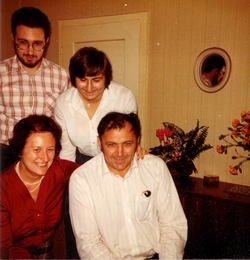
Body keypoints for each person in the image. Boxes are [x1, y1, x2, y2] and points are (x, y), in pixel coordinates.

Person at [54, 46, 146, 258]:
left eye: (96, 79)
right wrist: (71, 185)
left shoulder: (123, 97)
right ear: (73, 78)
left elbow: (127, 137)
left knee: (116, 223)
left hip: (117, 160)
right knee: (79, 226)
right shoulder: (64, 102)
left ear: (107, 77)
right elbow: (67, 150)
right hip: (79, 162)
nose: (89, 87)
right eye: (82, 79)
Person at [69, 112, 188, 259]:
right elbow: (89, 243)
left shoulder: (156, 168)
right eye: (111, 145)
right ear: (99, 142)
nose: (120, 153)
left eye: (127, 144)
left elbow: (173, 225)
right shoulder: (82, 179)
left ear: (138, 141)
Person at [0, 7, 70, 172]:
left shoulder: (61, 76)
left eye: (37, 44)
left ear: (46, 41)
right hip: (5, 156)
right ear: (13, 38)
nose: (30, 51)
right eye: (23, 42)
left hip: (44, 158)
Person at [0, 114, 79, 259]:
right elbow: (4, 249)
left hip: (50, 253)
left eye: (50, 149)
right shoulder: (3, 189)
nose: (45, 158)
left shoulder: (58, 171)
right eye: (37, 150)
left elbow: (92, 171)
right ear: (20, 150)